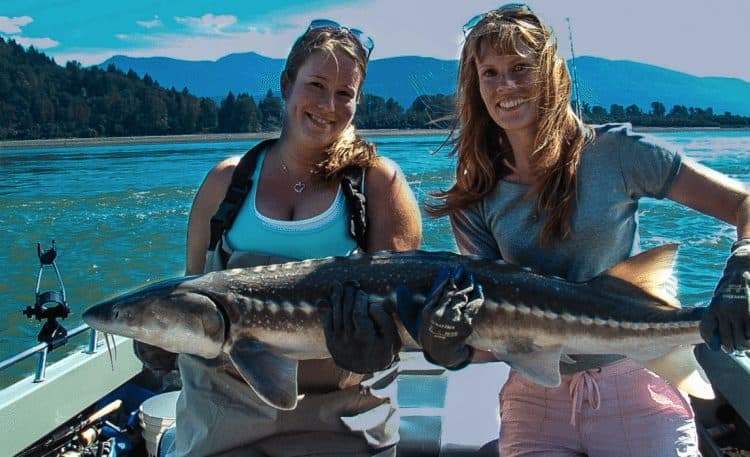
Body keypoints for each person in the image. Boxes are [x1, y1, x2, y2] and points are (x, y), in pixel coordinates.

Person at [415, 4, 750, 456]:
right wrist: (451, 346)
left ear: (551, 73)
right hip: (536, 399)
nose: (505, 86)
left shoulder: (618, 153)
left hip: (635, 381)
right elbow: (496, 325)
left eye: (520, 68)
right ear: (476, 87)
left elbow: (744, 202)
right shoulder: (475, 195)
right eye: (490, 73)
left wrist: (742, 266)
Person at [140, 19, 422, 457]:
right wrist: (157, 343)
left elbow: (407, 312)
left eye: (345, 94)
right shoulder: (226, 183)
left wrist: (378, 343)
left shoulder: (378, 185)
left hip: (344, 420)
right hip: (222, 418)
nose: (328, 104)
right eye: (315, 84)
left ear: (357, 101)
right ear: (287, 84)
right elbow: (193, 292)